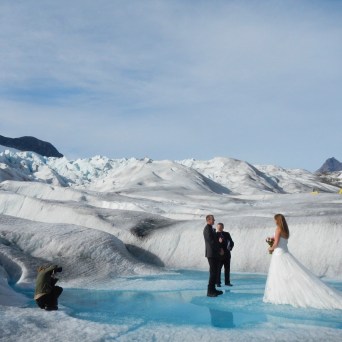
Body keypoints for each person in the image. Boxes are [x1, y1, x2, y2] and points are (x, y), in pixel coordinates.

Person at [263, 214, 342, 309]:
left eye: (275, 220)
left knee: (279, 276)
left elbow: (276, 244)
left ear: (277, 220)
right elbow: (282, 242)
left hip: (278, 255)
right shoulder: (286, 231)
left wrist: (270, 248)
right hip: (286, 253)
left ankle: (282, 296)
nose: (274, 221)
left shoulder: (278, 229)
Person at [203, 215, 223, 297]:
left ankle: (213, 289)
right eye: (213, 219)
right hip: (211, 254)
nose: (214, 220)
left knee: (215, 272)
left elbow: (214, 241)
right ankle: (209, 291)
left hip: (214, 253)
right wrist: (219, 250)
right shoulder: (207, 229)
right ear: (208, 220)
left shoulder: (210, 228)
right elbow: (211, 242)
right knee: (213, 272)